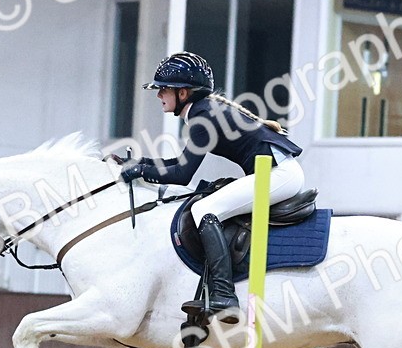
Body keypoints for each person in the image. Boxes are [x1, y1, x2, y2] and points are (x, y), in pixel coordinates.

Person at [120, 52, 304, 323]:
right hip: (276, 172)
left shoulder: (202, 117)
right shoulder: (203, 111)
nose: (159, 94)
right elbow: (180, 163)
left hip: (279, 175)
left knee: (205, 209)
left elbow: (182, 174)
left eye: (163, 89)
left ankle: (224, 295)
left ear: (183, 93)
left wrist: (141, 169)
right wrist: (141, 164)